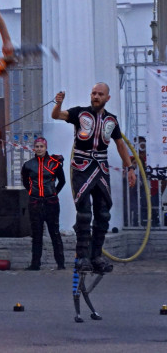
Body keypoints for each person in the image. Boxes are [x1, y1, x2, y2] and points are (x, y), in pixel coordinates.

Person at [52, 83, 136, 273]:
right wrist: (58, 104)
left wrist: (129, 168)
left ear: (108, 98)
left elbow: (120, 145)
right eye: (93, 93)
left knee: (103, 214)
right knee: (84, 215)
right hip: (81, 167)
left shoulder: (111, 120)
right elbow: (56, 115)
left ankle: (96, 256)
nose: (96, 96)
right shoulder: (79, 113)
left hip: (101, 168)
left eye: (100, 94)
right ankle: (82, 257)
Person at [20, 137, 66, 271]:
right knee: (37, 234)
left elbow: (62, 181)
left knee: (55, 233)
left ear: (46, 148)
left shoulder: (54, 164)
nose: (39, 149)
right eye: (37, 146)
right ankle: (35, 264)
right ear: (34, 148)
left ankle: (61, 264)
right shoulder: (28, 165)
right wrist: (32, 193)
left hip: (51, 203)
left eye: (41, 146)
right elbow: (25, 182)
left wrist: (54, 193)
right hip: (35, 203)